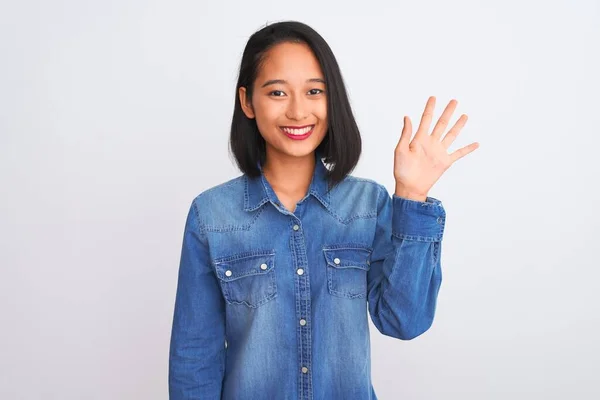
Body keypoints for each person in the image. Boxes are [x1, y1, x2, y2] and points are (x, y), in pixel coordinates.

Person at [168, 20, 479, 400]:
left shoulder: (367, 205)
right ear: (248, 102)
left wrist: (412, 195)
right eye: (278, 92)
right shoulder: (212, 216)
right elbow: (194, 358)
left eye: (314, 91)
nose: (299, 111)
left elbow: (404, 321)